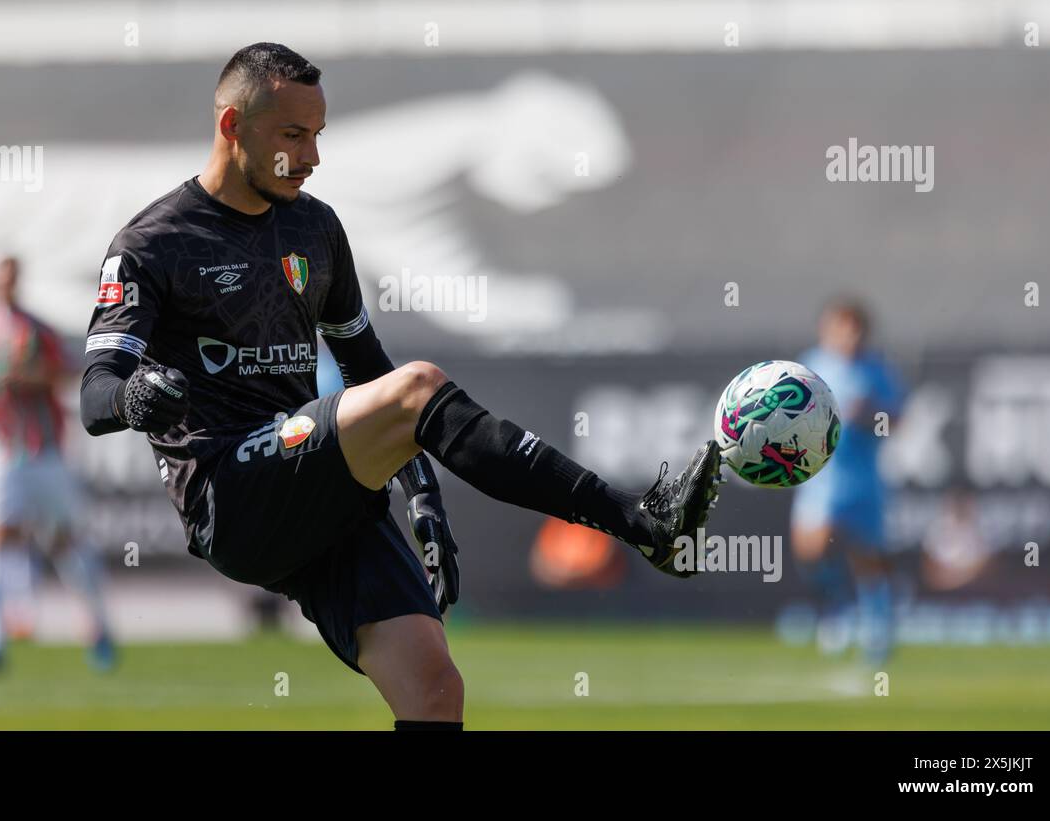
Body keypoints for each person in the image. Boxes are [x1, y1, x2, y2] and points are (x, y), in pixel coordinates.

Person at [80, 42, 723, 729]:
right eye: (292, 136)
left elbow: (365, 367)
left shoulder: (315, 227)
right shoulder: (153, 242)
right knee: (419, 387)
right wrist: (134, 397)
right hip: (228, 489)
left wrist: (423, 500)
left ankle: (645, 525)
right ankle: (641, 521)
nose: (311, 157)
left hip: (315, 492)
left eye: (317, 135)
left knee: (435, 691)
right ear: (233, 126)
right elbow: (96, 394)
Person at [0, 257, 115, 670]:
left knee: (64, 540)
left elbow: (66, 373)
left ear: (17, 283)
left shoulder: (36, 329)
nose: (2, 288)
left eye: (9, 280)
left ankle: (97, 628)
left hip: (42, 451)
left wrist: (21, 378)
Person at [792, 297, 905, 666]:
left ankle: (877, 628)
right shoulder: (809, 368)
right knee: (812, 547)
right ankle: (838, 605)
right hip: (820, 476)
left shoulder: (876, 370)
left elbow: (897, 421)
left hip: (863, 478)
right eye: (842, 325)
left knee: (867, 556)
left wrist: (870, 414)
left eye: (856, 327)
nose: (850, 335)